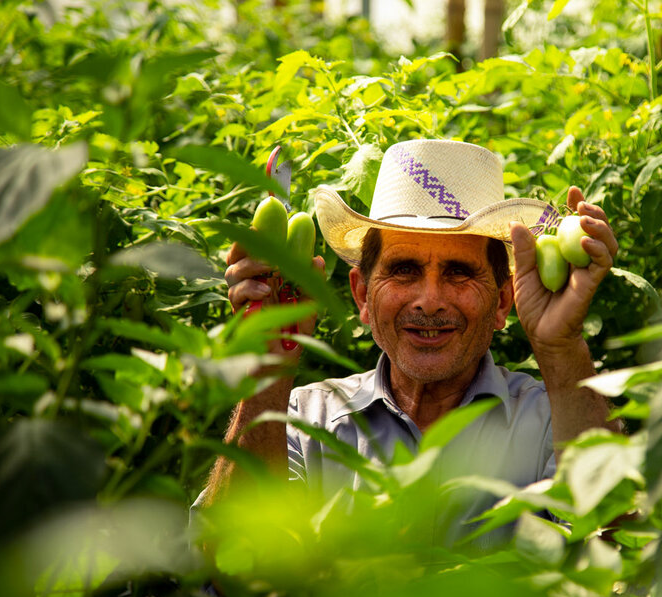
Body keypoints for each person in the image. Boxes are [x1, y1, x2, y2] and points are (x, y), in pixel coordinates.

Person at [206, 139, 620, 543]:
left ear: (503, 300)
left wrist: (561, 346)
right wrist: (267, 372)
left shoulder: (556, 419)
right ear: (363, 295)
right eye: (404, 269)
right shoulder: (299, 422)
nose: (430, 301)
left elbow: (617, 539)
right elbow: (230, 565)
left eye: (459, 272)